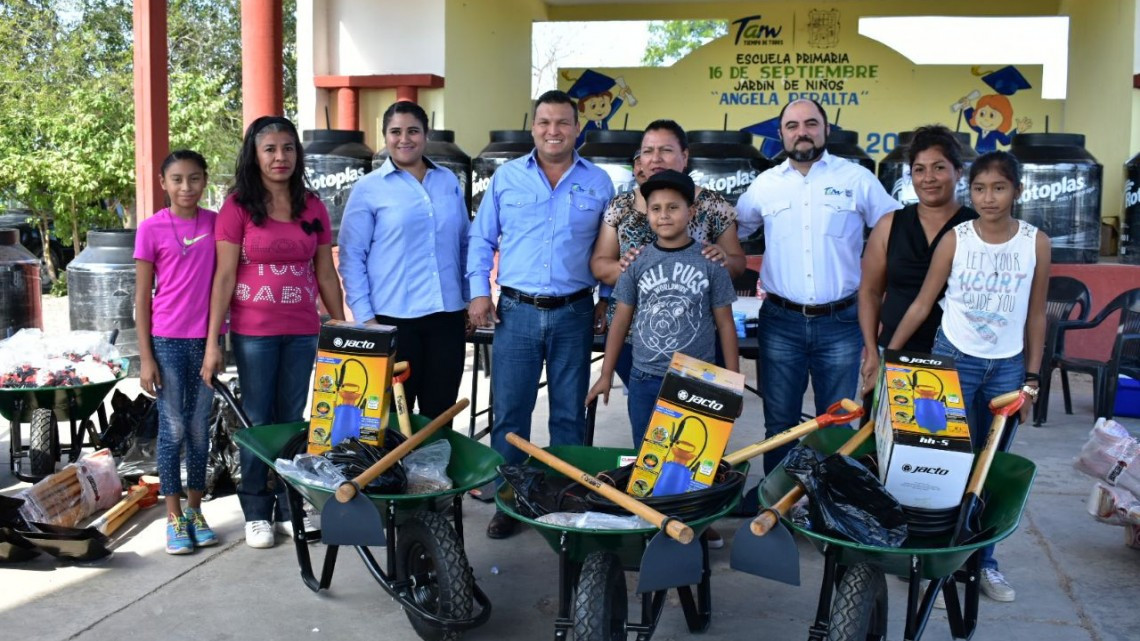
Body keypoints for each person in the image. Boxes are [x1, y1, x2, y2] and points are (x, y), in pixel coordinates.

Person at [887, 151, 1050, 602]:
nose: (988, 198)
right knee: (948, 460)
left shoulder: (1035, 242)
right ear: (969, 191)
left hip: (1008, 368)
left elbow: (1036, 314)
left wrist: (1032, 377)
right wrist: (891, 361)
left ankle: (984, 564)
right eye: (979, 189)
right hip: (954, 362)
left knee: (989, 467)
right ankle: (934, 555)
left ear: (1017, 190)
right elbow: (922, 304)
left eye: (999, 188)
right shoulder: (956, 238)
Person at [467, 90, 614, 539]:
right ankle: (509, 501)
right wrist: (478, 294)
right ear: (534, 127)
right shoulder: (507, 178)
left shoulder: (600, 183)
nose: (554, 131)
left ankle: (564, 500)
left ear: (577, 128)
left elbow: (613, 247)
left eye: (563, 123)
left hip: (574, 313)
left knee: (569, 414)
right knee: (511, 413)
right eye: (545, 122)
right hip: (517, 312)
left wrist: (606, 298)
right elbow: (481, 240)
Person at [200, 115, 345, 549]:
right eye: (269, 149)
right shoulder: (238, 206)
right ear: (255, 155)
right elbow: (224, 277)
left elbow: (325, 271)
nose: (279, 157)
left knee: (291, 421)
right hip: (254, 333)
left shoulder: (313, 205)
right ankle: (256, 510)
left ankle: (288, 505)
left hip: (302, 330)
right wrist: (214, 343)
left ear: (297, 154)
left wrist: (339, 325)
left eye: (287, 148)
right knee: (258, 420)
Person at [736, 98, 900, 474]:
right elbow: (733, 230)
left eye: (811, 124)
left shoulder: (855, 179)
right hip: (780, 322)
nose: (802, 132)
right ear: (781, 135)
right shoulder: (765, 185)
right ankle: (776, 500)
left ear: (826, 130)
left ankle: (831, 506)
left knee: (839, 423)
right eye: (792, 126)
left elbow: (894, 228)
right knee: (780, 423)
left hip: (841, 323)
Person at [590, 120, 746, 422]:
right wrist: (627, 270)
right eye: (648, 151)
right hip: (635, 345)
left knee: (692, 428)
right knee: (651, 426)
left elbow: (737, 264)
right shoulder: (621, 205)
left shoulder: (713, 204)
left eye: (665, 150)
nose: (655, 158)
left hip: (695, 344)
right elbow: (599, 262)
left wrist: (722, 258)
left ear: (685, 157)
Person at [338, 101, 469, 419]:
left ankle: (433, 471)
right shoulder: (369, 189)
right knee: (393, 418)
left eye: (413, 131)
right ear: (385, 136)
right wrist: (367, 319)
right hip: (392, 320)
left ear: (425, 135)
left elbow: (464, 243)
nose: (404, 139)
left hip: (446, 318)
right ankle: (394, 471)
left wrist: (467, 298)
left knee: (440, 414)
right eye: (395, 132)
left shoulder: (448, 181)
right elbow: (351, 256)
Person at [135, 150, 220, 555]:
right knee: (172, 431)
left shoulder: (217, 225)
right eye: (177, 179)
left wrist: (216, 341)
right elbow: (141, 298)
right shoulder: (150, 229)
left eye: (194, 178)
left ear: (205, 181)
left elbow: (224, 286)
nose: (186, 187)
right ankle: (172, 518)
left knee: (200, 429)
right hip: (166, 341)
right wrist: (146, 356)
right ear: (163, 182)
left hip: (206, 343)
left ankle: (195, 510)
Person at [859, 124, 979, 391]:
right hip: (893, 350)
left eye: (939, 167)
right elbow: (869, 292)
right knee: (882, 431)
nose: (929, 178)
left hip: (957, 356)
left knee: (941, 431)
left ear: (958, 172)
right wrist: (870, 349)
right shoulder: (890, 225)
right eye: (919, 169)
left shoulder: (976, 227)